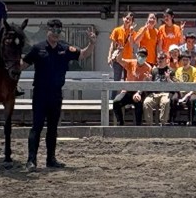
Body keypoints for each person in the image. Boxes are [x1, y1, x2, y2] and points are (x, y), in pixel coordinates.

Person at [22, 19, 96, 170]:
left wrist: (92, 43)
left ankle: (51, 159)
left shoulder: (65, 48)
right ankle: (31, 160)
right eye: (53, 30)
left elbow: (82, 55)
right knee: (36, 127)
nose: (55, 34)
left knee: (53, 128)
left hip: (56, 94)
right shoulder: (37, 48)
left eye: (58, 31)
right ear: (47, 31)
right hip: (40, 94)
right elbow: (22, 65)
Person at [112, 46, 153, 126]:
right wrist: (120, 52)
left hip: (139, 92)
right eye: (140, 55)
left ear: (146, 57)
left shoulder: (148, 68)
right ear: (137, 55)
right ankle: (121, 123)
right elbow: (119, 60)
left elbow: (145, 83)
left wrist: (139, 93)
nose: (141, 57)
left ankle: (138, 126)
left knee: (139, 105)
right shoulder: (131, 63)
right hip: (127, 91)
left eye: (144, 56)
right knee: (116, 102)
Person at [168, 51, 196, 125]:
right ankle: (173, 119)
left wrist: (188, 94)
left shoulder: (194, 70)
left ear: (190, 60)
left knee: (191, 100)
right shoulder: (178, 70)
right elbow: (176, 82)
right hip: (180, 91)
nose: (185, 61)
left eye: (187, 60)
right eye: (183, 60)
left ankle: (190, 120)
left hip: (191, 91)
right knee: (173, 99)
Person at [107, 12, 136, 85]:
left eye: (130, 20)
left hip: (128, 60)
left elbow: (132, 44)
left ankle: (126, 96)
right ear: (123, 18)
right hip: (118, 59)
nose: (128, 20)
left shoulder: (133, 32)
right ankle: (113, 97)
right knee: (116, 80)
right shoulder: (117, 30)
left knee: (128, 81)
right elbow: (112, 45)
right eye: (127, 18)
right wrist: (109, 56)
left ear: (132, 22)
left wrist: (131, 33)